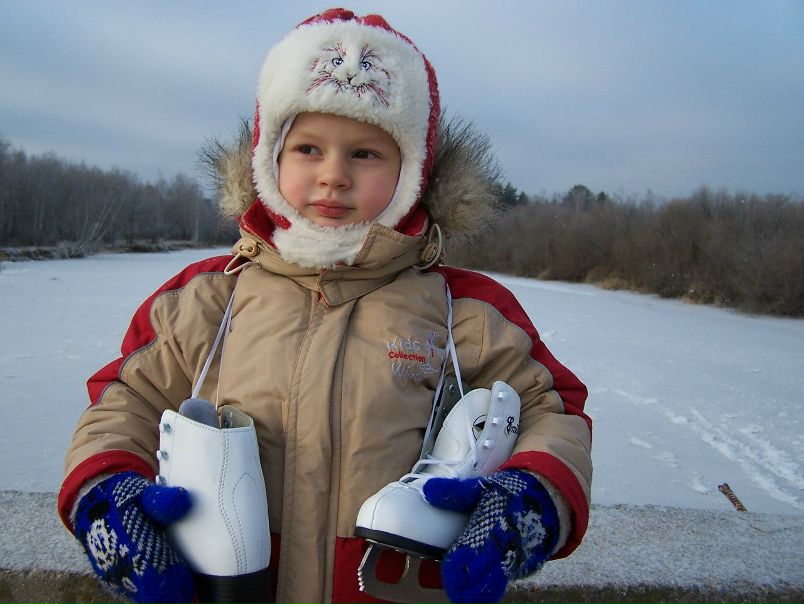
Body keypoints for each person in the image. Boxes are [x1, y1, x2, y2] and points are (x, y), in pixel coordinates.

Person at [58, 8, 592, 604]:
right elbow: (126, 401)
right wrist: (108, 493)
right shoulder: (207, 297)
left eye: (365, 154)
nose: (333, 175)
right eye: (308, 148)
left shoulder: (465, 310)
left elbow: (548, 410)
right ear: (269, 159)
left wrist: (529, 497)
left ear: (413, 174)